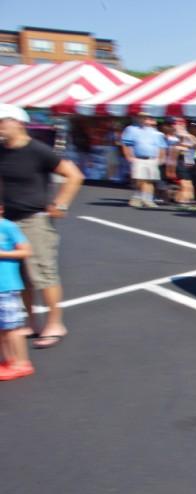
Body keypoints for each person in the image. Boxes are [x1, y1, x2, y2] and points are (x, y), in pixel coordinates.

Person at [0, 103, 83, 349]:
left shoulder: (38, 151)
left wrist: (61, 204)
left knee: (43, 274)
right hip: (9, 221)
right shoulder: (1, 151)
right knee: (22, 277)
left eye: (2, 121)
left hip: (35, 220)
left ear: (17, 122)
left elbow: (74, 175)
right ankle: (32, 322)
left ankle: (55, 323)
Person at [0, 198, 34, 381]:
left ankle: (22, 363)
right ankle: (9, 360)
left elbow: (26, 251)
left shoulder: (8, 227)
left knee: (12, 327)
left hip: (7, 286)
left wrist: (2, 253)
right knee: (2, 328)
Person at [121, 112, 166, 208]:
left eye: (149, 118)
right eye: (144, 118)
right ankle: (137, 198)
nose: (147, 120)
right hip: (138, 158)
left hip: (152, 159)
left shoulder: (157, 133)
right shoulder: (132, 129)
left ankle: (148, 200)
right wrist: (129, 156)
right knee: (139, 180)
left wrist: (161, 158)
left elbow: (162, 147)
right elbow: (126, 144)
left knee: (150, 181)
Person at [165, 117, 196, 208]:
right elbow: (172, 157)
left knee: (190, 186)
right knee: (186, 185)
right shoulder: (175, 140)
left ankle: (185, 201)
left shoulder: (188, 138)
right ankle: (183, 202)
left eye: (182, 124)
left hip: (190, 163)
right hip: (180, 163)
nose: (181, 126)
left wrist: (187, 135)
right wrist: (170, 170)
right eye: (179, 124)